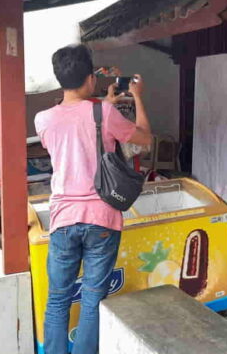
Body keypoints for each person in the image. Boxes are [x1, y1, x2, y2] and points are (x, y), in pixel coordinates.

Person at [35, 44, 152, 354]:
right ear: (90, 78)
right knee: (92, 299)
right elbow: (145, 140)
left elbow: (75, 129)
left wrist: (104, 105)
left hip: (63, 218)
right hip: (102, 217)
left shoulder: (42, 120)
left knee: (58, 298)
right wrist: (137, 97)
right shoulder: (105, 112)